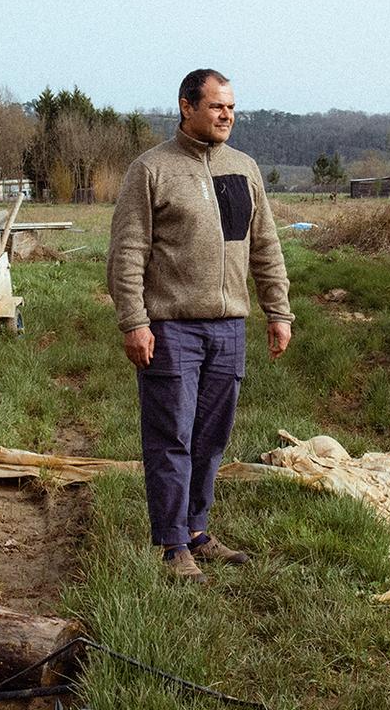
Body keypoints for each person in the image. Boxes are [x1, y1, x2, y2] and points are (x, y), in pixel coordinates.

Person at [107, 68, 294, 583]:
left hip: (229, 328)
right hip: (171, 329)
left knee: (211, 439)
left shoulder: (244, 168)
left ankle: (196, 532)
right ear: (187, 107)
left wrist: (278, 311)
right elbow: (126, 253)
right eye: (216, 106)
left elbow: (265, 246)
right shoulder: (151, 170)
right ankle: (171, 546)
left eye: (231, 107)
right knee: (171, 436)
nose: (226, 115)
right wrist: (134, 321)